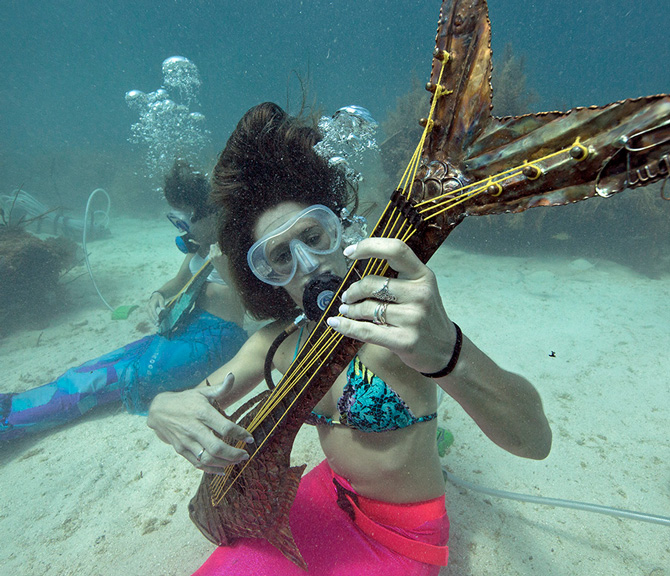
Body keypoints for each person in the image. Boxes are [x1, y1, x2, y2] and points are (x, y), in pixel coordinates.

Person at [148, 103, 552, 575]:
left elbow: (534, 441)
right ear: (266, 276)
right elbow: (197, 399)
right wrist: (164, 408)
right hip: (323, 497)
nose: (308, 262)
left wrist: (449, 352)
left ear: (339, 228)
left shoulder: (400, 331)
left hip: (403, 536)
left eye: (313, 235)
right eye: (280, 255)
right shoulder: (279, 344)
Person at [0, 161, 247, 441]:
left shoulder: (235, 248)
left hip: (218, 341)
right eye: (175, 221)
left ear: (208, 215)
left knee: (109, 379)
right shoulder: (200, 248)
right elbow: (177, 283)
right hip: (184, 329)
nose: (181, 229)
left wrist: (224, 267)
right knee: (95, 366)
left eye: (183, 221)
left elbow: (253, 304)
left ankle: (10, 423)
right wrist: (158, 294)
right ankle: (10, 405)